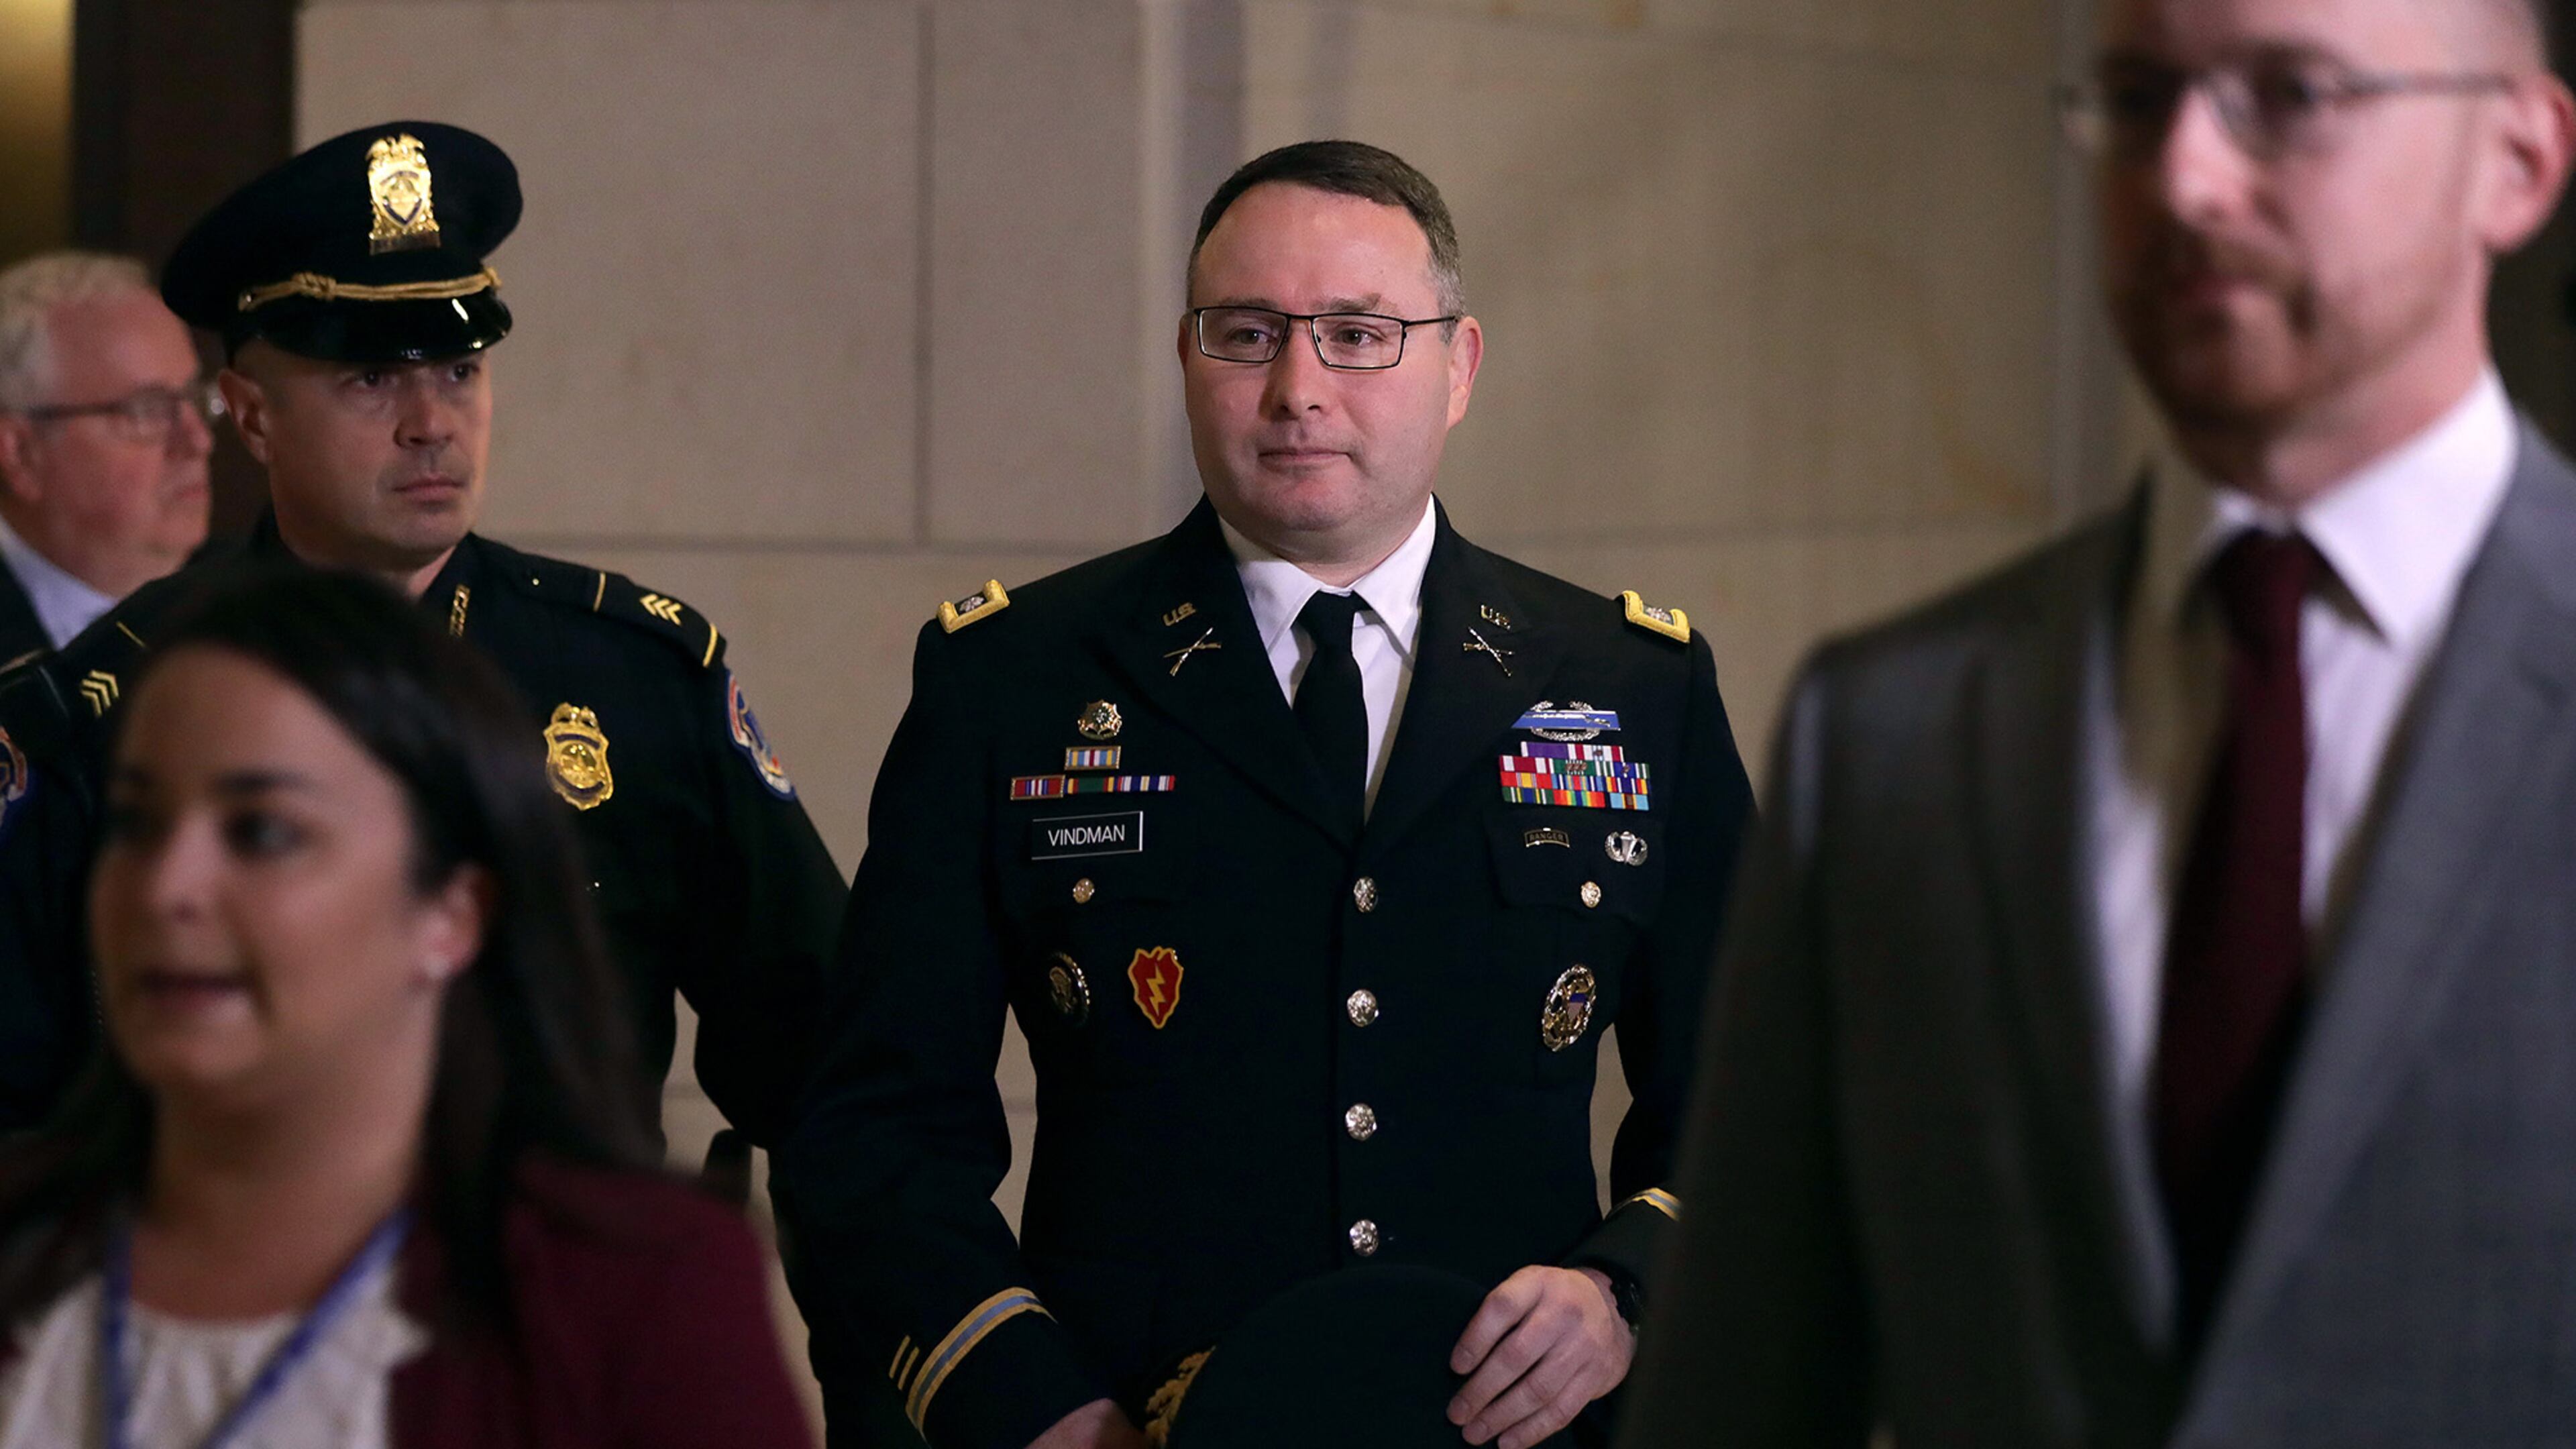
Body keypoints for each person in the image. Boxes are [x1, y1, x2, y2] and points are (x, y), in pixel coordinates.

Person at [1616, 0, 2576, 1442]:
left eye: (2291, 92)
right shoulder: (1886, 738)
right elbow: (1741, 1391)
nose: (2183, 177)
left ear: (2516, 156)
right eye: (2137, 97)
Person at [777, 140, 1756, 1449]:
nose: (1299, 389)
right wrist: (1032, 1411)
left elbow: (1762, 1102)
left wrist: (1627, 1293)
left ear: (1458, 368)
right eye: (1248, 334)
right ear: (1187, 358)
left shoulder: (1632, 686)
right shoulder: (1012, 680)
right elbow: (878, 1136)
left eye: (1360, 335)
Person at [0, 122, 844, 1161]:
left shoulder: (632, 676)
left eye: (458, 372)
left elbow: (828, 1066)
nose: (429, 423)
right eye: (371, 381)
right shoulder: (118, 701)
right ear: (252, 417)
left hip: (567, 1298)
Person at [0, 568, 811, 1446]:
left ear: (451, 914)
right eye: (136, 824)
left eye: (262, 831)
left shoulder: (635, 1294)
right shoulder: (28, 1251)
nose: (168, 888)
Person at [0, 253, 212, 665]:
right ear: (21, 453)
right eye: (148, 410)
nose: (198, 441)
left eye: (193, 399)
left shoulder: (260, 602)